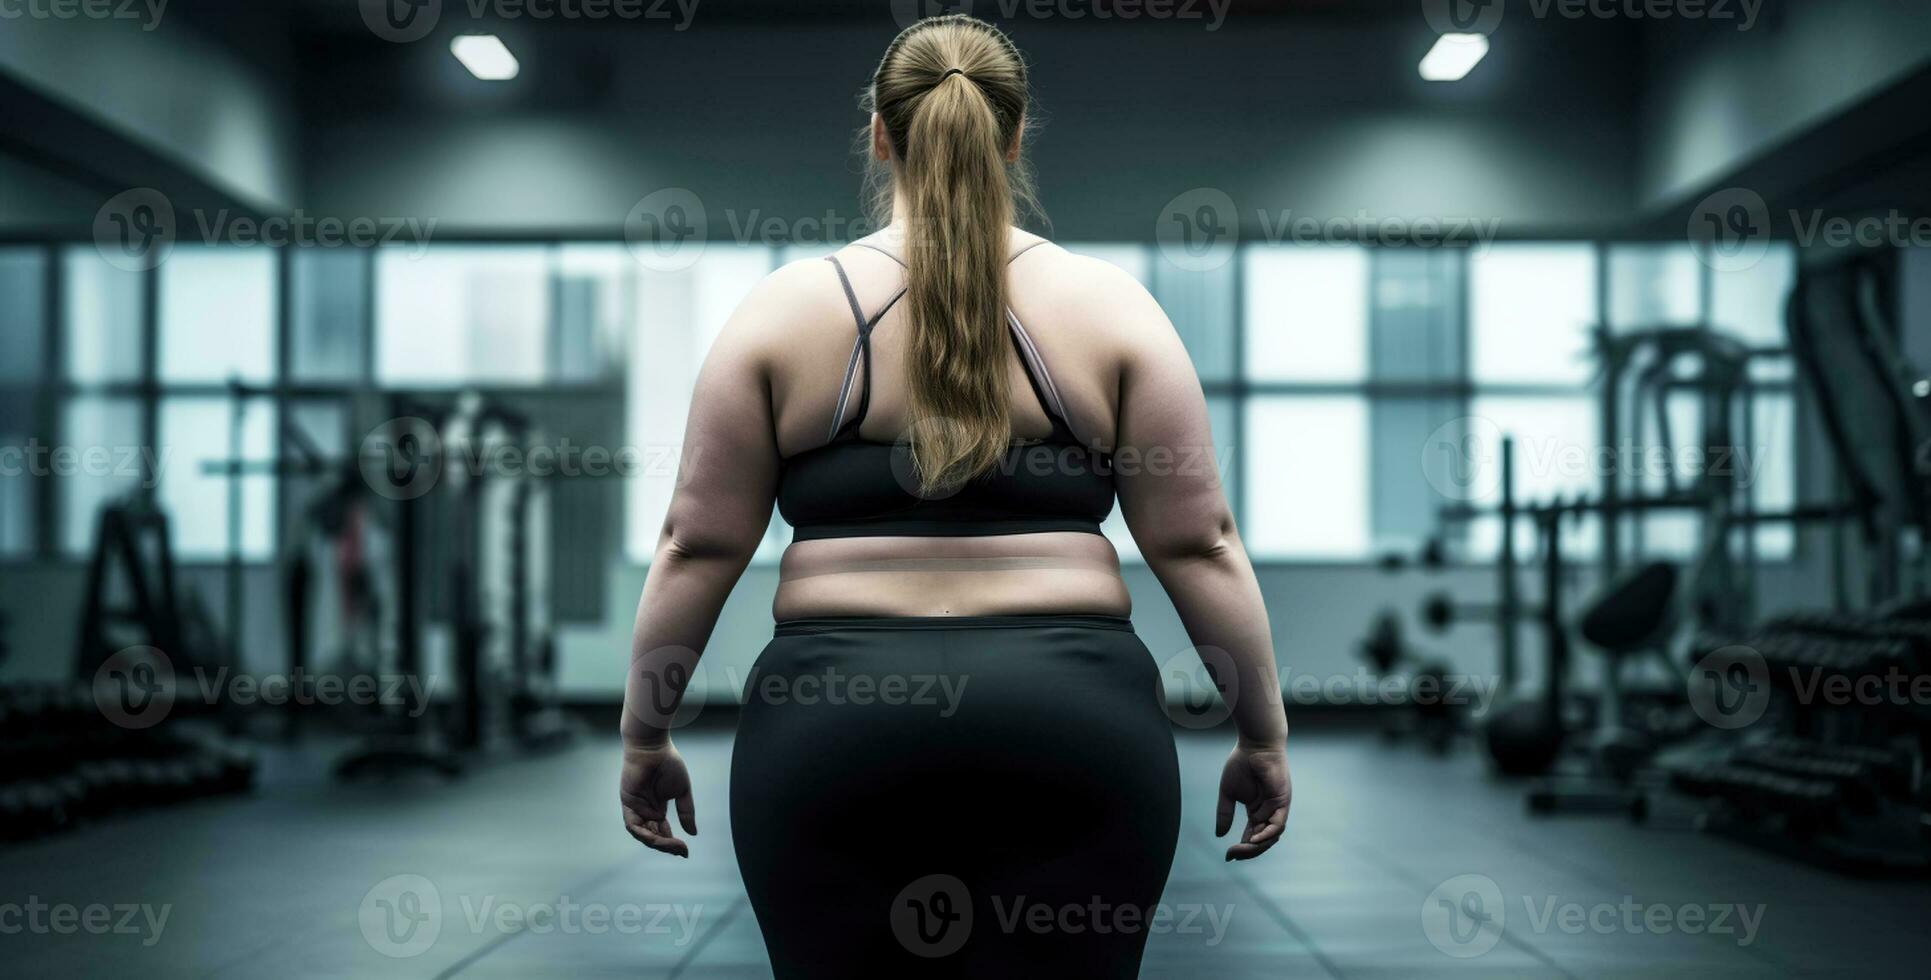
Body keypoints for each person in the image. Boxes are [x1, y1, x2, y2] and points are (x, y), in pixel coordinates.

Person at [619, 14, 1290, 977]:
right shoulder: (1111, 310)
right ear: (1014, 135)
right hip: (1072, 725)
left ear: (880, 135)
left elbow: (695, 545)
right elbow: (1201, 545)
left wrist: (647, 733)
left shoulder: (783, 312)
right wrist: (1260, 734)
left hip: (833, 729)